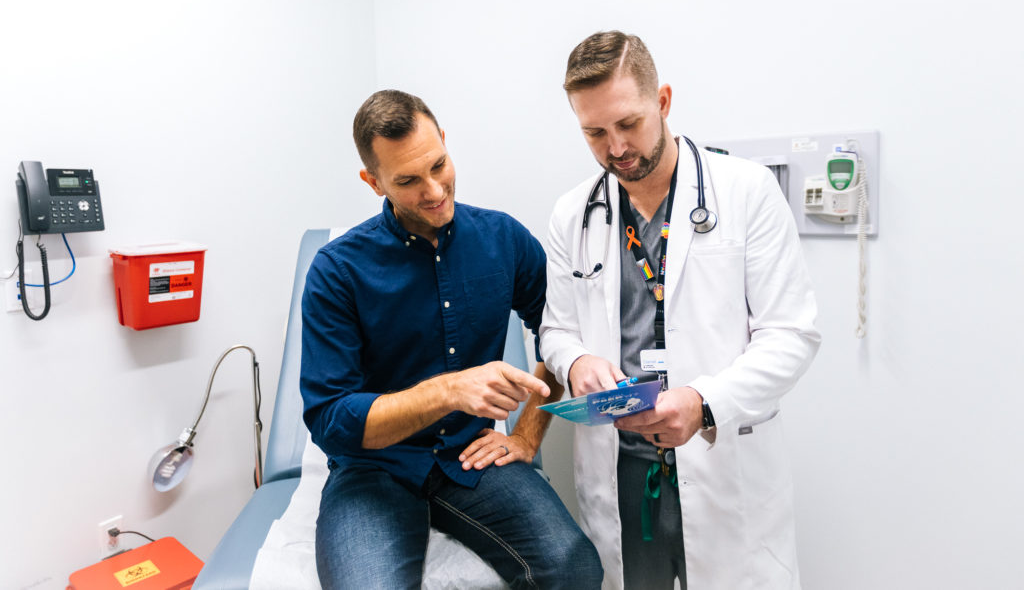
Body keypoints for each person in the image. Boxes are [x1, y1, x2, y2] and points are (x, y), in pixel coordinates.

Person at [539, 31, 821, 589]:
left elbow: (792, 334)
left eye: (628, 124)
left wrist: (702, 401)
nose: (615, 148)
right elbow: (556, 329)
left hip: (719, 456)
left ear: (663, 101)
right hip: (622, 466)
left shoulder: (747, 192)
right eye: (594, 132)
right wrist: (574, 364)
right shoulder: (573, 215)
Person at [300, 89, 603, 590]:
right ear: (372, 180)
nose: (435, 190)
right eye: (408, 180)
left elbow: (559, 332)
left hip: (472, 455)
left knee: (574, 567)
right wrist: (448, 391)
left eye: (439, 165)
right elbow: (330, 419)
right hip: (372, 470)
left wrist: (527, 435)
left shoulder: (502, 239)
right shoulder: (338, 271)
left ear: (444, 140)